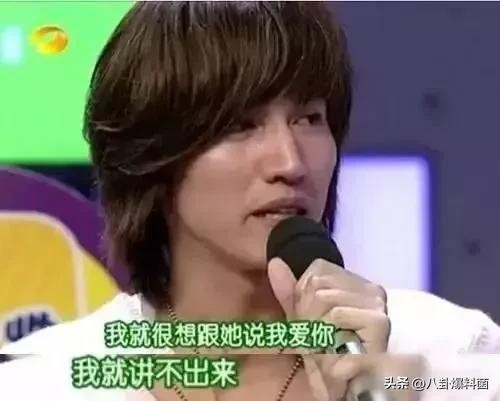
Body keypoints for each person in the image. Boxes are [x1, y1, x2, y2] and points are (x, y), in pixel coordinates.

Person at [1, 2, 499, 401]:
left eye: (309, 119)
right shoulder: (44, 384)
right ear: (151, 156)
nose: (290, 162)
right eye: (241, 125)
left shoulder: (453, 357)